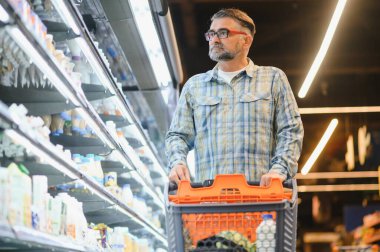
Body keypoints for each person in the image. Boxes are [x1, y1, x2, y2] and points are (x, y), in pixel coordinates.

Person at [165, 8, 304, 186]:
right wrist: (177, 162)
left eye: (223, 33)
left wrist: (279, 170)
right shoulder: (194, 86)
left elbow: (291, 130)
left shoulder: (273, 79)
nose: (214, 39)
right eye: (211, 34)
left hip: (262, 200)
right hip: (208, 202)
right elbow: (177, 135)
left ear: (246, 40)